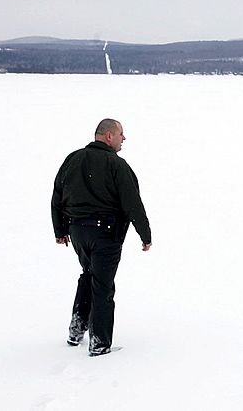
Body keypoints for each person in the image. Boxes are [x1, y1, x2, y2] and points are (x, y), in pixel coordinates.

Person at [51, 118, 152, 357]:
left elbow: (57, 195)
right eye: (121, 134)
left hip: (77, 232)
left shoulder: (72, 159)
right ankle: (100, 343)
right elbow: (132, 203)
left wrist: (60, 230)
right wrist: (145, 234)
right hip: (105, 233)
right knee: (103, 286)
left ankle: (76, 331)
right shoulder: (116, 165)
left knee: (89, 275)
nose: (123, 138)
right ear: (108, 136)